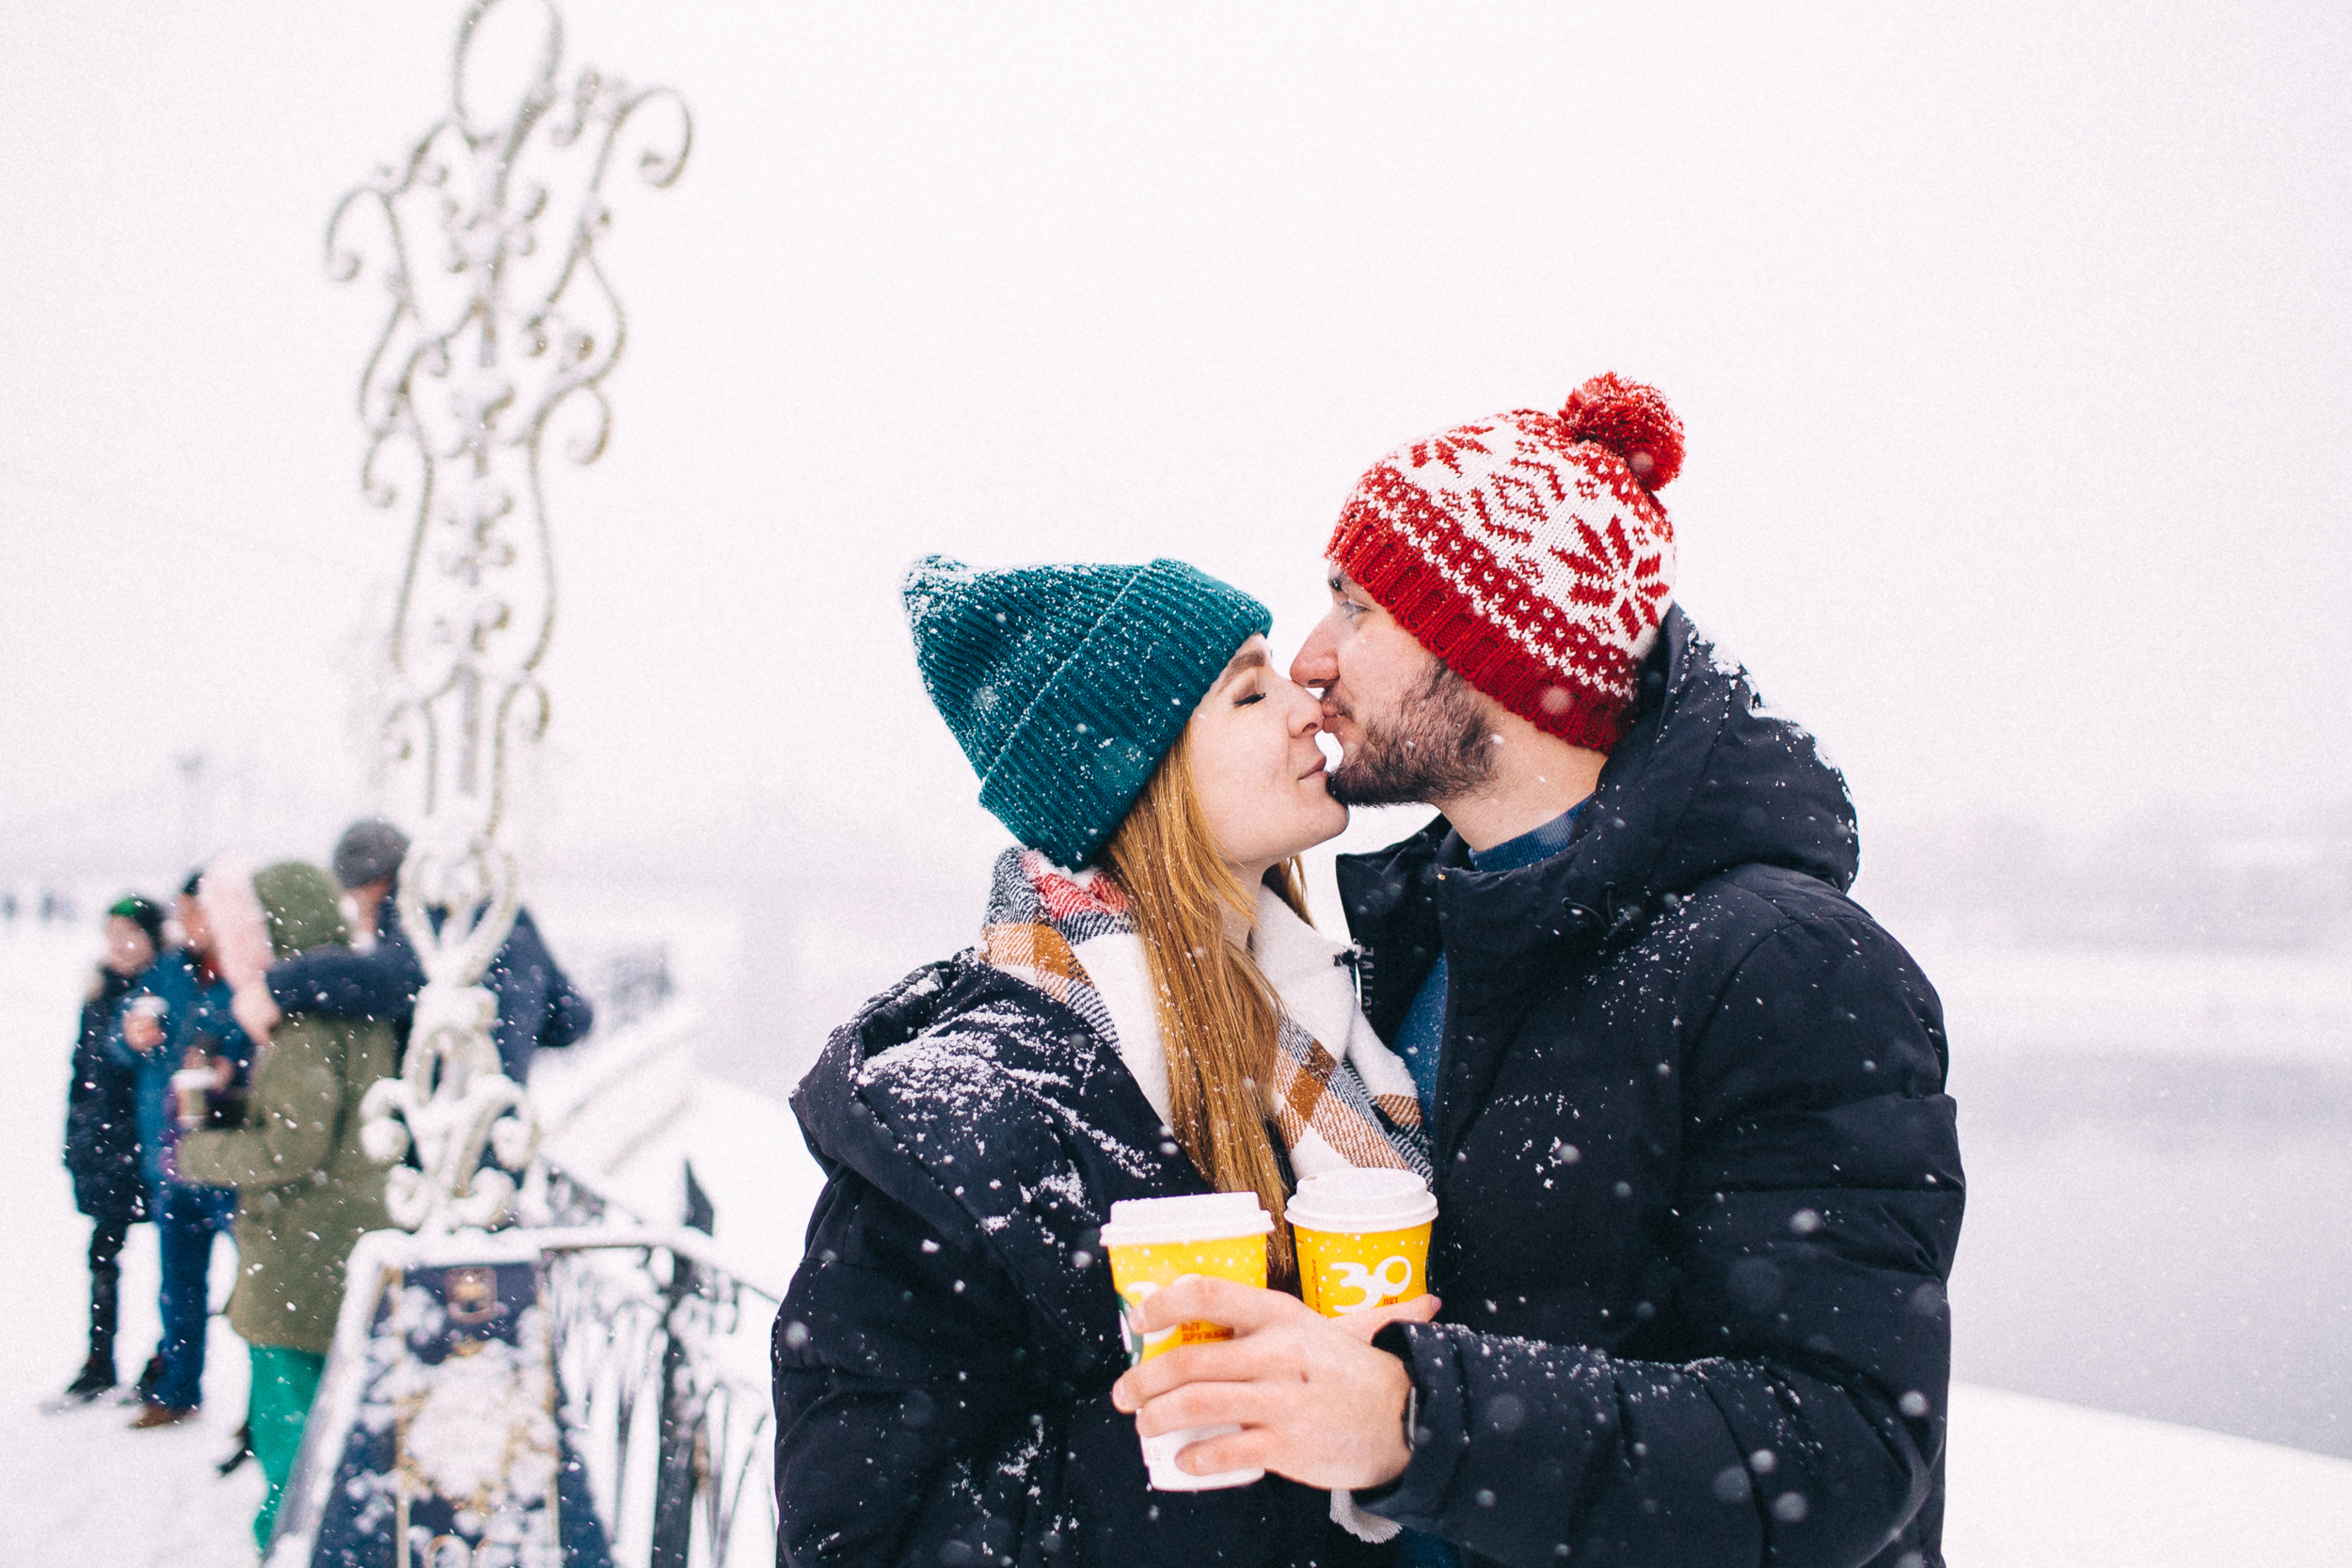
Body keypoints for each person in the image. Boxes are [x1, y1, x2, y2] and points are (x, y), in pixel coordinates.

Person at [1111, 375, 1964, 1568]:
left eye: (1355, 608)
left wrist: (1415, 1417)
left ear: (1489, 651)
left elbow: (1839, 1447)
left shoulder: (1787, 965)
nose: (1311, 658)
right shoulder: (1411, 930)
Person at [774, 557, 1436, 1567]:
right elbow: (860, 1536)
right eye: (1249, 691)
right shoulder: (962, 1117)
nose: (1309, 706)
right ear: (1135, 774)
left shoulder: (1326, 1030)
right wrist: (1231, 1434)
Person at [178, 860, 399, 1551]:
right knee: (329, 1430)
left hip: (299, 1258)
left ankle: (294, 1545)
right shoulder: (357, 1008)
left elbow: (293, 1149)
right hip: (338, 1244)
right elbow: (320, 1125)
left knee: (292, 1433)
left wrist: (197, 1149)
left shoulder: (306, 1020)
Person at [232, 817, 595, 1083]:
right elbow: (573, 1019)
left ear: (374, 885)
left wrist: (281, 984)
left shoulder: (420, 910)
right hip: (501, 1125)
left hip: (446, 1124)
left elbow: (397, 978)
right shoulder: (505, 913)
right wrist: (510, 1034)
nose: (358, 922)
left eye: (353, 902)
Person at [106, 868, 257, 1428]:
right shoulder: (167, 972)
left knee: (254, 1294)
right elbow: (117, 1050)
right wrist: (128, 1037)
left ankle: (258, 1407)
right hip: (171, 1160)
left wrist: (234, 1064)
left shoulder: (249, 974)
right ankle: (177, 1390)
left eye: (195, 911)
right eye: (182, 912)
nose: (185, 924)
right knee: (178, 1289)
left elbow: (268, 1046)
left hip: (231, 1160)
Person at [55, 895, 166, 1406]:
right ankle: (100, 1361)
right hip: (104, 1150)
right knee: (103, 1255)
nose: (119, 945)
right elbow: (83, 1076)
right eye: (112, 934)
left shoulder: (162, 993)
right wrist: (76, 1140)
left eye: (130, 934)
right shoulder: (98, 994)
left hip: (152, 1151)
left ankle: (167, 1361)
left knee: (173, 1260)